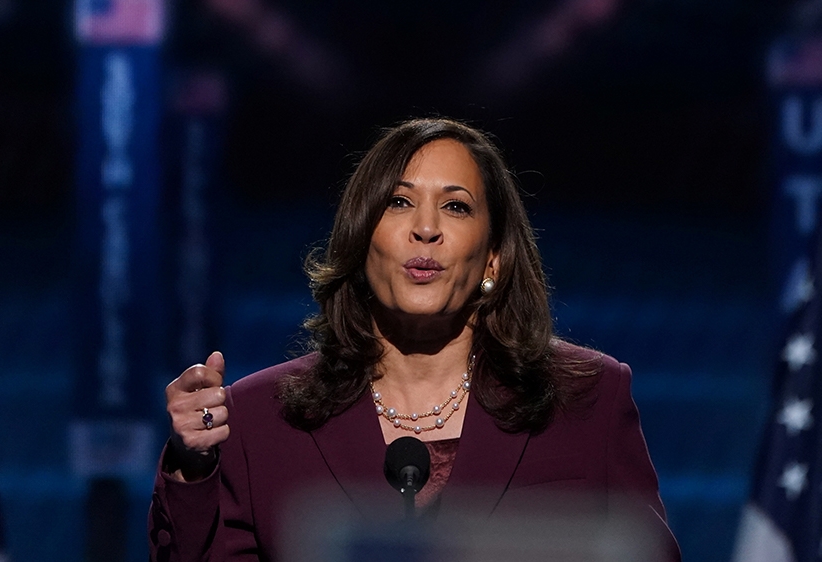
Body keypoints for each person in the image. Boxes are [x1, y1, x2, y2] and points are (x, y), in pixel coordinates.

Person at [148, 118, 681, 562]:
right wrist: (192, 465)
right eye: (399, 203)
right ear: (360, 243)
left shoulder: (587, 399)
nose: (426, 229)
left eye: (456, 206)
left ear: (493, 257)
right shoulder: (260, 420)